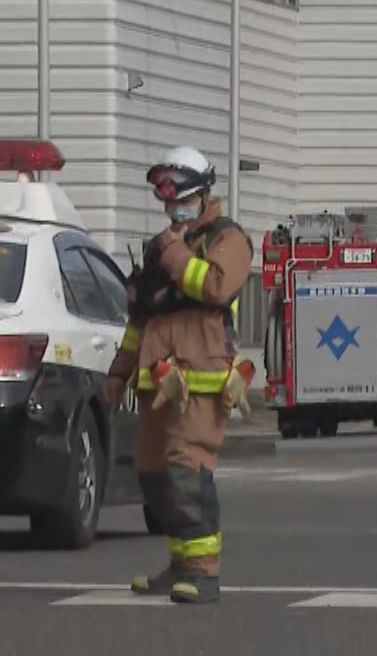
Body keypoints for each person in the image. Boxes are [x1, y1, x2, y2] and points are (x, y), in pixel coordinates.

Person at [103, 147, 254, 605]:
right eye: (169, 201)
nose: (174, 209)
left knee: (187, 472)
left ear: (203, 194)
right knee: (153, 474)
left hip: (202, 382)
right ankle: (180, 563)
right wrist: (119, 373)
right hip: (157, 383)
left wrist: (172, 254)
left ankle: (203, 572)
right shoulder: (163, 245)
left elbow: (215, 286)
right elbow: (141, 320)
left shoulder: (227, 238)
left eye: (182, 199)